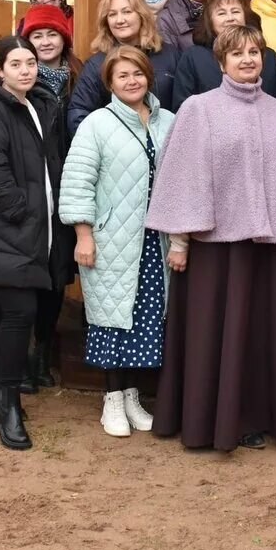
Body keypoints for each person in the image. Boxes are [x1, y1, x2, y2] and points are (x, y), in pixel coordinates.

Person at [146, 24, 276, 452]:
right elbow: (182, 175)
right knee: (208, 335)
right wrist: (179, 241)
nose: (247, 59)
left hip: (261, 249)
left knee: (255, 337)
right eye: (237, 53)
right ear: (222, 61)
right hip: (210, 250)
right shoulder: (199, 109)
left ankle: (252, 419)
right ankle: (201, 422)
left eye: (255, 52)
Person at [59, 46, 175, 437]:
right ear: (109, 82)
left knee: (143, 318)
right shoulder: (97, 123)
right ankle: (111, 400)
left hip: (155, 242)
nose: (131, 81)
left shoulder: (169, 122)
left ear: (149, 76)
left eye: (137, 73)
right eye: (122, 75)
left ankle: (131, 396)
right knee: (111, 318)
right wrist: (83, 234)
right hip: (111, 239)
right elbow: (77, 182)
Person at [0, 36, 65, 450]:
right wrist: (23, 211)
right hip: (7, 226)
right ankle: (8, 404)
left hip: (36, 227)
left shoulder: (40, 105)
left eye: (31, 63)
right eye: (16, 63)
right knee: (20, 310)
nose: (26, 70)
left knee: (8, 309)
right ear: (0, 69)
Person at [18, 5, 79, 392]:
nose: (45, 41)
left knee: (58, 278)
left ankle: (43, 352)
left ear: (63, 39)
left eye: (51, 34)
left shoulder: (79, 79)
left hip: (69, 188)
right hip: (33, 190)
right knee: (30, 277)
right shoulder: (22, 81)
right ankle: (21, 357)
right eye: (37, 35)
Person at [68, 0, 180, 139]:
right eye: (112, 14)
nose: (120, 20)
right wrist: (106, 150)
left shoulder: (170, 55)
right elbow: (79, 113)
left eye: (127, 12)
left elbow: (184, 109)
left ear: (141, 15)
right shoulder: (97, 64)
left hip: (166, 152)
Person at [172, 0, 276, 108]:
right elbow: (182, 108)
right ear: (210, 21)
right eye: (221, 13)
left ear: (246, 17)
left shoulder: (268, 56)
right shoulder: (193, 57)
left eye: (235, 11)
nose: (230, 18)